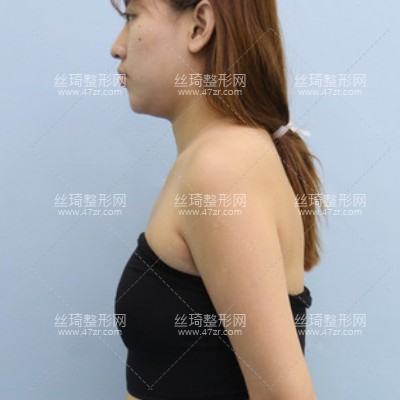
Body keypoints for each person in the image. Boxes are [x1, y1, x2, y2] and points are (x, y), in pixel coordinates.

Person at [110, 1, 323, 399]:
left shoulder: (220, 169)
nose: (116, 47)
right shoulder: (214, 158)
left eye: (131, 17)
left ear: (199, 26)